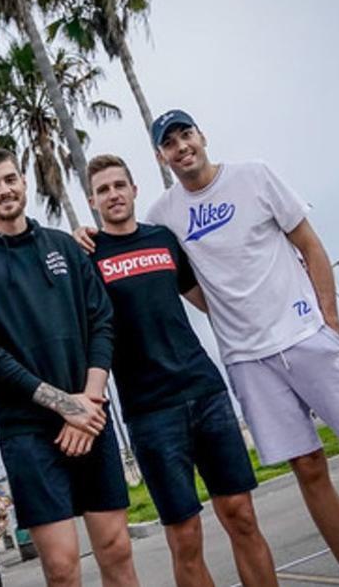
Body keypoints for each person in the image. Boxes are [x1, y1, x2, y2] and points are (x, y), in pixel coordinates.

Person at [76, 110, 339, 587]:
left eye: (186, 134)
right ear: (160, 157)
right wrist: (84, 236)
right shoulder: (163, 219)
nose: (182, 146)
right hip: (248, 363)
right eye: (170, 142)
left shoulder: (254, 177)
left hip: (307, 337)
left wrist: (329, 323)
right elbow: (182, 286)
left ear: (201, 136)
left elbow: (310, 245)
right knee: (309, 469)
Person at [0, 148, 139, 587]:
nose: (4, 189)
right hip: (28, 432)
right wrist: (61, 404)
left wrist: (85, 403)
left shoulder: (64, 246)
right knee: (63, 567)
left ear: (24, 182)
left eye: (10, 179)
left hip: (90, 416)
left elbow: (101, 322)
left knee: (117, 550)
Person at [85, 154, 278, 587]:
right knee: (185, 536)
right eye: (103, 190)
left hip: (204, 390)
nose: (113, 195)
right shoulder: (89, 256)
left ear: (134, 190)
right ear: (92, 201)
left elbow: (211, 300)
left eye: (119, 185)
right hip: (150, 411)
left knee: (241, 516)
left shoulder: (164, 240)